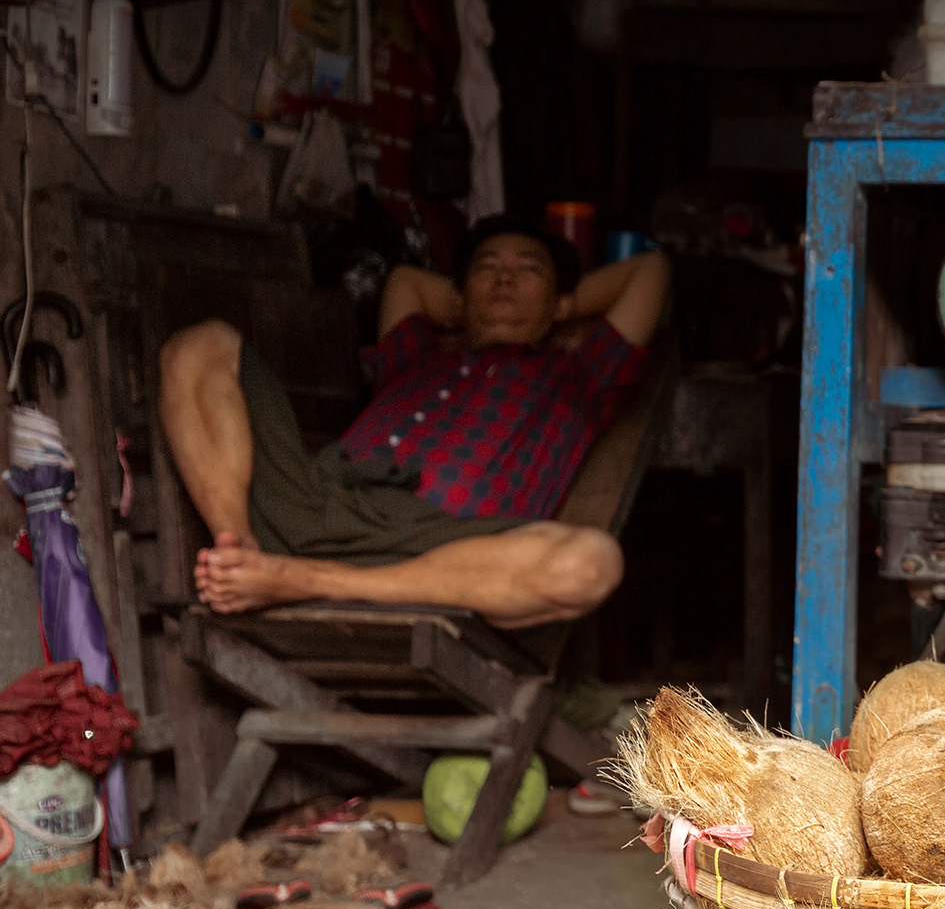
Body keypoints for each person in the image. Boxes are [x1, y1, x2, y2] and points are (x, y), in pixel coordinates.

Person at [158, 215, 669, 630]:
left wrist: (562, 307)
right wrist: (485, 302)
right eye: (487, 268)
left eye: (528, 269)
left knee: (593, 562)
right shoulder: (415, 359)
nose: (506, 277)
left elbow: (651, 271)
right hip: (320, 499)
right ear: (459, 297)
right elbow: (406, 280)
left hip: (442, 550)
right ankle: (238, 552)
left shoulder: (580, 376)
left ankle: (301, 580)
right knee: (200, 343)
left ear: (561, 300)